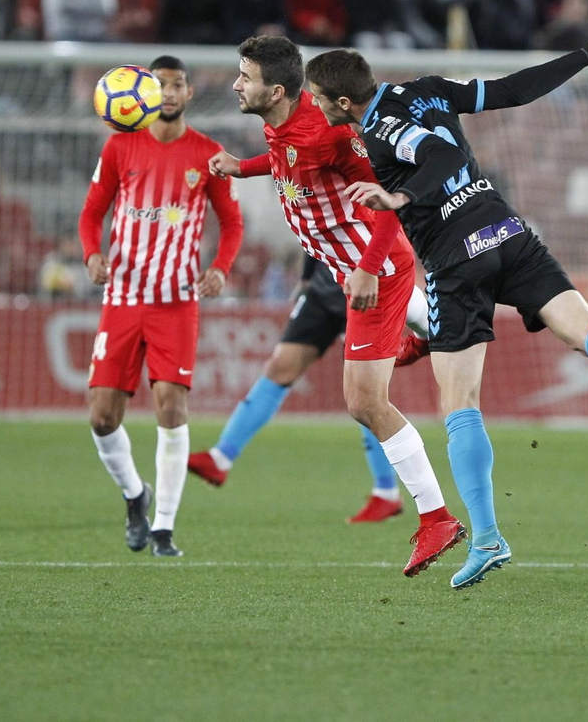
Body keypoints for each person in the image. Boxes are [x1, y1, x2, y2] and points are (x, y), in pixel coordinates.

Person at [306, 42, 588, 590]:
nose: (315, 107)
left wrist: (402, 199)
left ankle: (488, 538)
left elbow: (439, 158)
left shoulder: (380, 132)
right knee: (587, 330)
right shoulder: (427, 89)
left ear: (342, 101)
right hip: (506, 231)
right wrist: (587, 55)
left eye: (318, 99)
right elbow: (513, 90)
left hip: (455, 263)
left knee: (459, 402)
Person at [202, 37, 462, 574]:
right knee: (387, 371)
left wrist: (367, 268)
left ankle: (435, 518)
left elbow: (385, 202)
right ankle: (433, 329)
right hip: (354, 268)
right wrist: (241, 166)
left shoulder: (330, 130)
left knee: (364, 403)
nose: (235, 84)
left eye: (243, 76)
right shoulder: (284, 119)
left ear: (274, 90)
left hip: (375, 268)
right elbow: (286, 162)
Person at [79, 56, 244, 558]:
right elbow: (92, 212)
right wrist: (91, 254)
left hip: (176, 301)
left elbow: (232, 222)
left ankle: (164, 529)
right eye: (159, 85)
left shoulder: (209, 154)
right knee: (103, 418)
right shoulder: (119, 147)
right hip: (123, 298)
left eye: (176, 85)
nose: (168, 93)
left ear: (189, 93)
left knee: (171, 407)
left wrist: (220, 267)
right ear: (145, 94)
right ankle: (135, 496)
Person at [188, 256, 428, 524]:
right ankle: (221, 458)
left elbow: (384, 223)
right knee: (280, 366)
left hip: (366, 284)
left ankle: (386, 491)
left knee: (367, 393)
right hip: (324, 285)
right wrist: (306, 278)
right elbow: (314, 227)